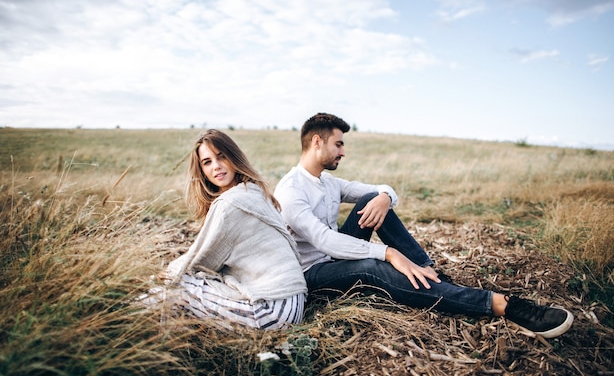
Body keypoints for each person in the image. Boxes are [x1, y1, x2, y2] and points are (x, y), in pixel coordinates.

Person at [274, 113, 574, 338]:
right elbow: (324, 240)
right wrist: (389, 253)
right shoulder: (290, 190)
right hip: (312, 275)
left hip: (334, 256)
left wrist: (384, 197)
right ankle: (503, 306)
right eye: (338, 144)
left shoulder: (328, 182)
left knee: (371, 199)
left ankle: (432, 274)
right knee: (373, 267)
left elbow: (384, 189)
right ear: (317, 142)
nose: (343, 151)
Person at [161, 129, 307, 330]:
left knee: (177, 287)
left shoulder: (230, 203)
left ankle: (130, 320)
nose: (217, 167)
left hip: (272, 312)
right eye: (207, 162)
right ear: (202, 170)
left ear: (234, 157)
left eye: (222, 157)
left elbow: (200, 262)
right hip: (291, 304)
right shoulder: (254, 191)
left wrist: (164, 274)